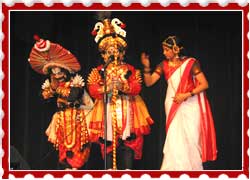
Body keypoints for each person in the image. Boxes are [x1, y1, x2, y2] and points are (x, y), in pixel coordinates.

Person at [140, 36, 217, 170]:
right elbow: (149, 82)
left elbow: (204, 84)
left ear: (175, 50)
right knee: (174, 139)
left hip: (191, 105)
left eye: (166, 50)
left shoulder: (191, 63)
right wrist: (146, 67)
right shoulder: (163, 65)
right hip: (172, 103)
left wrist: (186, 95)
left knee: (191, 139)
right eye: (163, 50)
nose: (164, 53)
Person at [87, 18, 154, 170]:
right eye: (109, 51)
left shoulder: (130, 69)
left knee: (129, 140)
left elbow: (137, 87)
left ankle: (128, 171)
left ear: (122, 53)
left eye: (116, 49)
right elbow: (92, 89)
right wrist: (107, 87)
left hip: (128, 107)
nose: (112, 52)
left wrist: (123, 86)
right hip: (106, 108)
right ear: (104, 54)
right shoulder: (98, 71)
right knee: (108, 141)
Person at [28, 35, 93, 170]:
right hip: (61, 120)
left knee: (78, 149)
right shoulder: (52, 85)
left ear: (65, 71)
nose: (57, 75)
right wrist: (52, 88)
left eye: (59, 72)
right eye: (54, 72)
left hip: (77, 119)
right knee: (63, 151)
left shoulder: (75, 82)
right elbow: (42, 98)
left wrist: (58, 89)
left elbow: (74, 96)